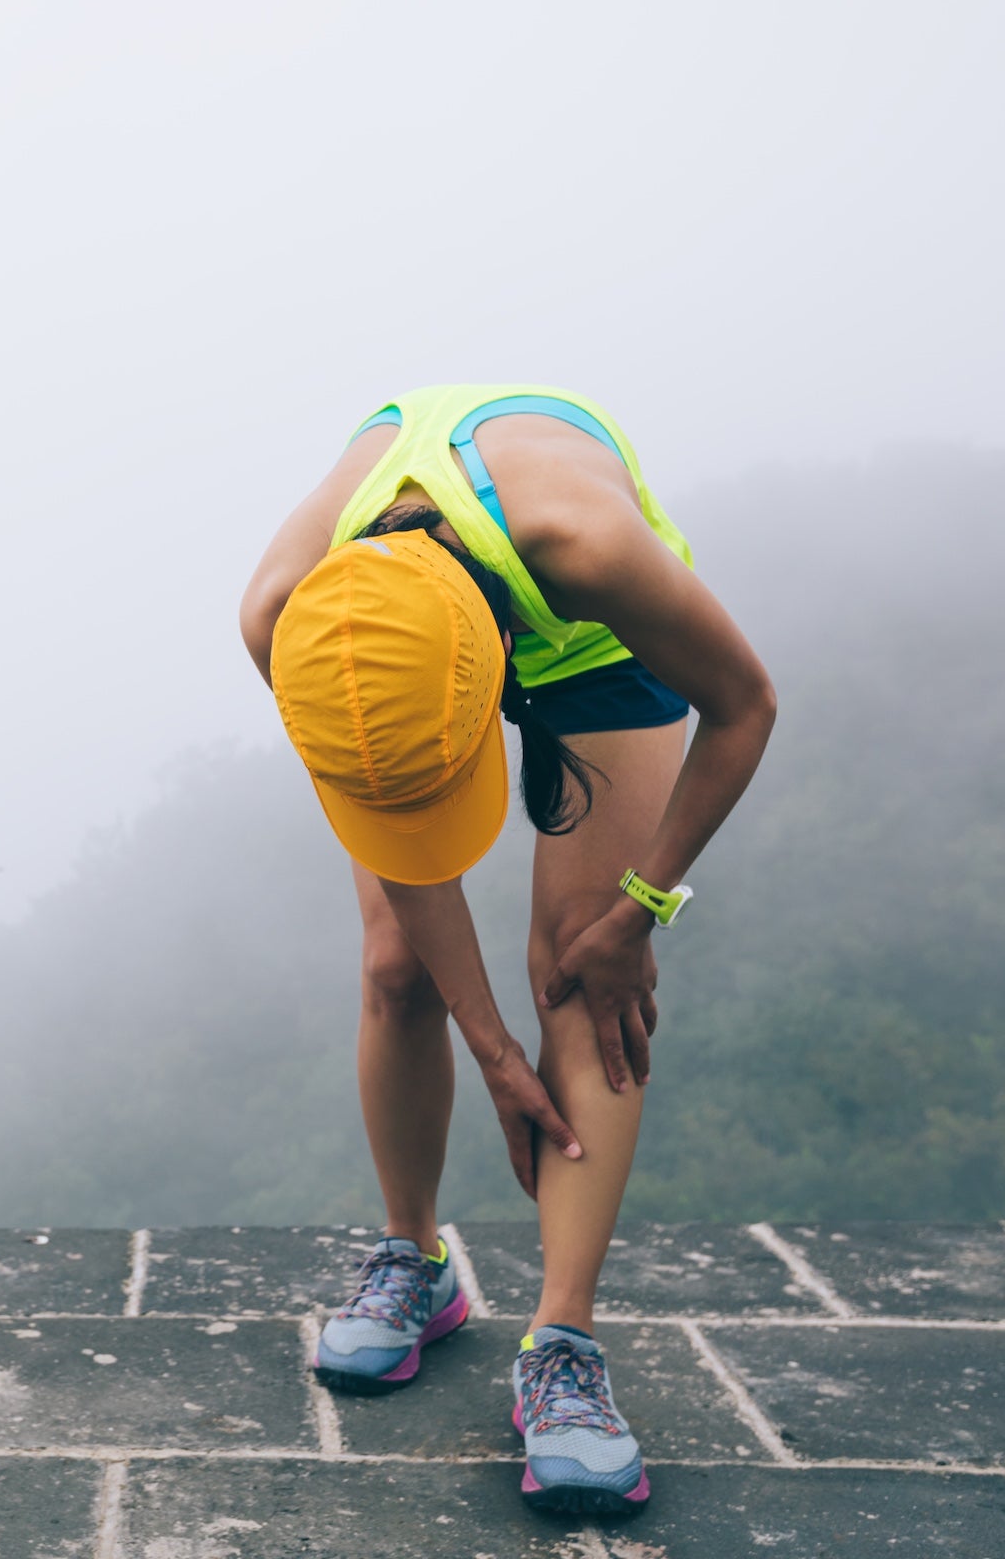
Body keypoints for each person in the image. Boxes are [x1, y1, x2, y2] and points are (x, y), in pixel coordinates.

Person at [238, 385, 775, 1515]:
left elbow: (746, 705)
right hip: (395, 640)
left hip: (585, 639)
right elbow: (400, 825)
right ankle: (414, 1259)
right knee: (395, 967)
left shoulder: (592, 550)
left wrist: (640, 910)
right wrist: (490, 1051)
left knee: (581, 970)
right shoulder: (289, 616)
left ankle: (563, 1342)